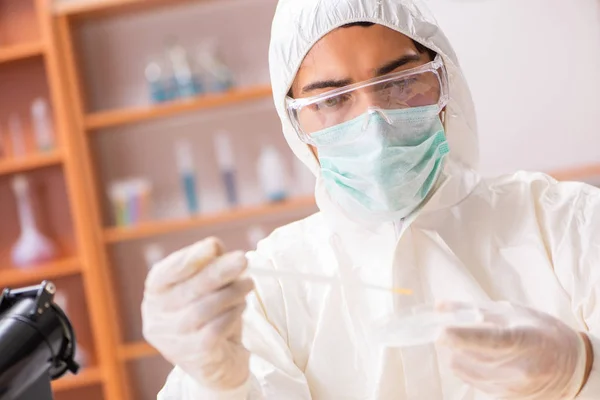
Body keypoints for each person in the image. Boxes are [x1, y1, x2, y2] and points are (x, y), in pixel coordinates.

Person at [141, 0, 600, 398]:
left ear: (445, 85)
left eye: (400, 83)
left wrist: (583, 368)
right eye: (332, 100)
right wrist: (215, 385)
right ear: (298, 126)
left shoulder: (566, 224)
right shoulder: (272, 290)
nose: (374, 123)